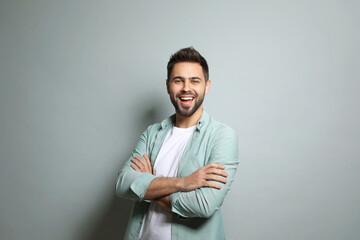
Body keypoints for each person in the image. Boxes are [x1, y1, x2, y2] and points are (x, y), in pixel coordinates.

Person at [116, 47, 239, 240]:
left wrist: (148, 184)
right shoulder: (152, 133)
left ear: (207, 86)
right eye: (178, 80)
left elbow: (203, 205)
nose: (186, 88)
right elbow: (123, 184)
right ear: (168, 86)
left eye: (194, 81)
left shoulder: (222, 137)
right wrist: (184, 183)